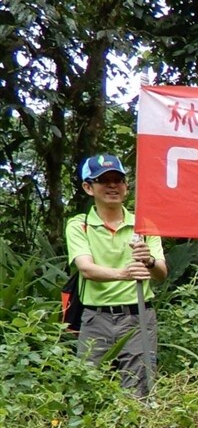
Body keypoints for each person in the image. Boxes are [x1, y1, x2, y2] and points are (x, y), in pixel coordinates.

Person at [67, 153, 167, 397]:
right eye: (103, 180)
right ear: (88, 187)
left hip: (138, 315)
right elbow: (86, 269)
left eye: (118, 180)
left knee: (138, 390)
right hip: (95, 317)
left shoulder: (144, 225)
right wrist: (125, 273)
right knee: (87, 390)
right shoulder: (79, 225)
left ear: (126, 185)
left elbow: (161, 273)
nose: (112, 186)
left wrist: (149, 260)